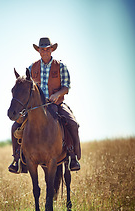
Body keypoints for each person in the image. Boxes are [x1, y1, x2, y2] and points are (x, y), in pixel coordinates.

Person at [8, 37, 81, 173]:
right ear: (39, 51)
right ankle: (17, 160)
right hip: (35, 107)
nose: (45, 51)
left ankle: (73, 156)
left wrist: (57, 95)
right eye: (42, 49)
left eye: (47, 49)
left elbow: (66, 87)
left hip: (56, 103)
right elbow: (25, 86)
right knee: (15, 127)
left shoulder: (60, 66)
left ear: (52, 49)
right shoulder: (32, 67)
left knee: (72, 123)